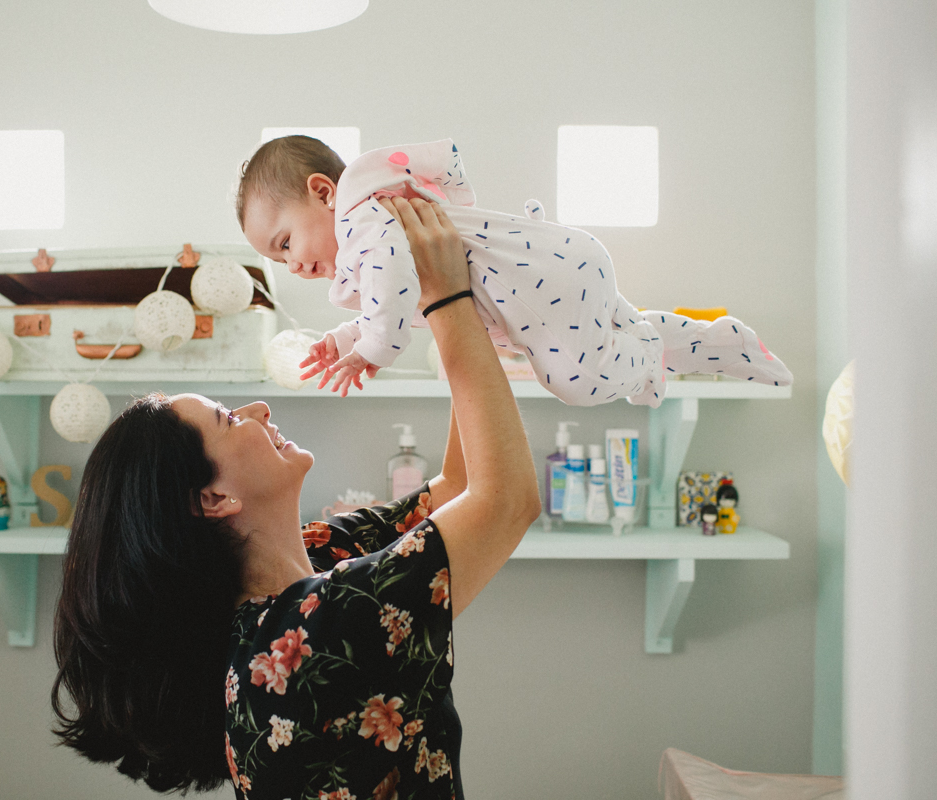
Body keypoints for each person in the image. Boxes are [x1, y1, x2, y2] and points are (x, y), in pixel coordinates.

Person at [52, 196, 542, 799]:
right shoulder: (308, 637)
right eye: (230, 419)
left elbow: (460, 489)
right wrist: (445, 299)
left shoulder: (318, 558)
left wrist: (461, 309)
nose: (259, 410)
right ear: (211, 498)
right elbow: (507, 501)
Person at [237, 135, 793, 404]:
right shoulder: (380, 233)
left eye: (285, 241)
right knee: (612, 338)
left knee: (574, 382)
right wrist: (344, 337)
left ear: (323, 192)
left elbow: (395, 291)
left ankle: (646, 353)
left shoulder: (364, 216)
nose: (292, 264)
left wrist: (373, 348)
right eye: (277, 259)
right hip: (560, 276)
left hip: (546, 285)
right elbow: (406, 297)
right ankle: (721, 345)